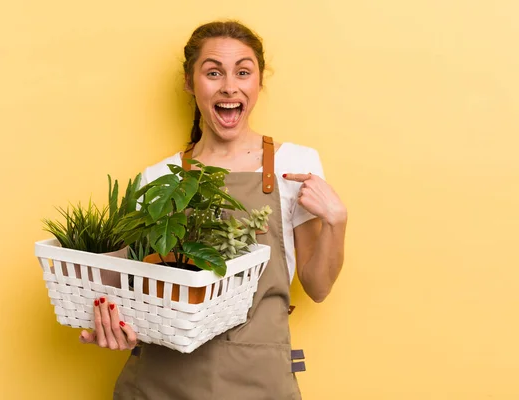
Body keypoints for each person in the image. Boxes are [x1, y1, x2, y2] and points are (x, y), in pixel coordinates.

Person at [79, 20, 347, 399]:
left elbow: (317, 288)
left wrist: (336, 221)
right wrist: (112, 324)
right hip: (160, 381)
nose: (229, 86)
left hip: (258, 380)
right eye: (213, 72)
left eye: (243, 71)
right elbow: (134, 290)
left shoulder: (293, 165)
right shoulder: (158, 178)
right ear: (190, 82)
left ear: (258, 82)